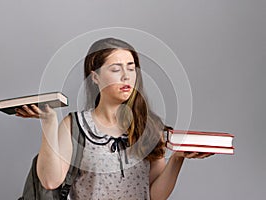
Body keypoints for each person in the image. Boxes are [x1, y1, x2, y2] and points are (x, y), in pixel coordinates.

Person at [15, 37, 213, 199]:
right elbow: (50, 181)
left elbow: (154, 196)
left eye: (131, 67)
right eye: (116, 69)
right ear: (95, 77)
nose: (126, 76)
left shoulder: (150, 127)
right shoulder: (75, 125)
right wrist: (49, 122)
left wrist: (177, 158)